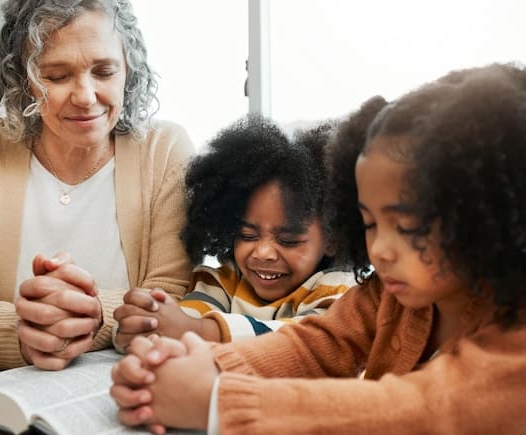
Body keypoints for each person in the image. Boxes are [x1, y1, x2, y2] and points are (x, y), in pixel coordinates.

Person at [109, 62, 526, 434]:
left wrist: (216, 402)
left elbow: (424, 409)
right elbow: (317, 343)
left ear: (488, 217)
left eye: (409, 226)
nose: (381, 249)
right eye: (369, 222)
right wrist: (207, 367)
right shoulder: (389, 297)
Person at [0, 0, 193, 371]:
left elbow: (177, 297)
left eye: (104, 72)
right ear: (22, 79)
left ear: (128, 72)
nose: (86, 96)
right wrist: (20, 333)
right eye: (57, 76)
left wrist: (95, 316)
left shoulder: (164, 149)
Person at [112, 115, 354, 350]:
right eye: (248, 235)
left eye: (288, 240)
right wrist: (147, 323)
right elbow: (186, 318)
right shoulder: (224, 281)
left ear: (332, 238)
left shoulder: (338, 290)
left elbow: (303, 339)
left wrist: (201, 331)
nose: (264, 252)